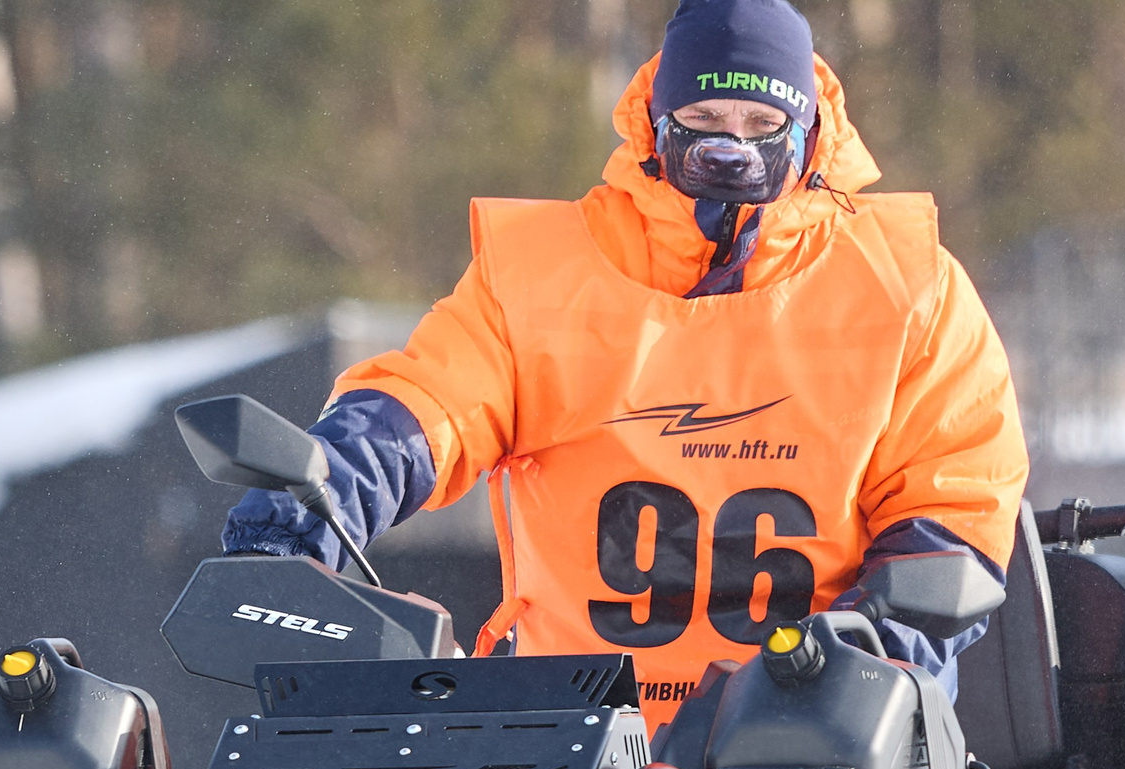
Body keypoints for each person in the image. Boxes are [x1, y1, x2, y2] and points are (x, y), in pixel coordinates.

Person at [221, 0, 1027, 731]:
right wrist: (315, 503)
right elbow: (433, 400)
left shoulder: (909, 288)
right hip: (569, 736)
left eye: (760, 122)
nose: (732, 150)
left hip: (823, 728)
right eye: (705, 118)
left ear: (811, 130)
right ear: (656, 122)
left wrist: (862, 661)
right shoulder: (542, 276)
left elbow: (954, 493)